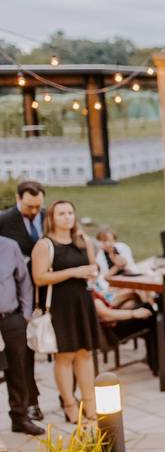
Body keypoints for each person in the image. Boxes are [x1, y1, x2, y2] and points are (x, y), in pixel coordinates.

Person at [31, 200, 100, 423]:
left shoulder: (83, 240)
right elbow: (39, 277)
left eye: (70, 212)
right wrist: (74, 271)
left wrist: (91, 272)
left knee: (85, 353)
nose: (67, 217)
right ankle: (70, 405)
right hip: (59, 305)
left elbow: (92, 266)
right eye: (61, 213)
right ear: (52, 218)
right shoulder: (45, 245)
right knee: (65, 356)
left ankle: (89, 404)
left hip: (81, 302)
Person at [0, 180, 46, 422]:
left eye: (38, 206)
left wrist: (26, 312)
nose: (35, 212)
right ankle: (28, 404)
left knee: (32, 355)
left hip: (39, 296)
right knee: (16, 360)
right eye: (29, 206)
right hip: (13, 299)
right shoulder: (5, 220)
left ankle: (31, 407)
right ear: (18, 199)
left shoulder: (48, 217)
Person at [0, 235, 43, 435]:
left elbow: (24, 281)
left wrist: (25, 315)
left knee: (19, 370)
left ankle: (20, 418)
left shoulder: (10, 245)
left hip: (11, 319)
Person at [93, 291, 157, 372]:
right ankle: (158, 361)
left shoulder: (87, 291)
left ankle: (155, 359)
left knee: (142, 303)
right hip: (111, 332)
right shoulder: (88, 294)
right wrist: (133, 313)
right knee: (150, 313)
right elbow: (106, 316)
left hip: (110, 326)